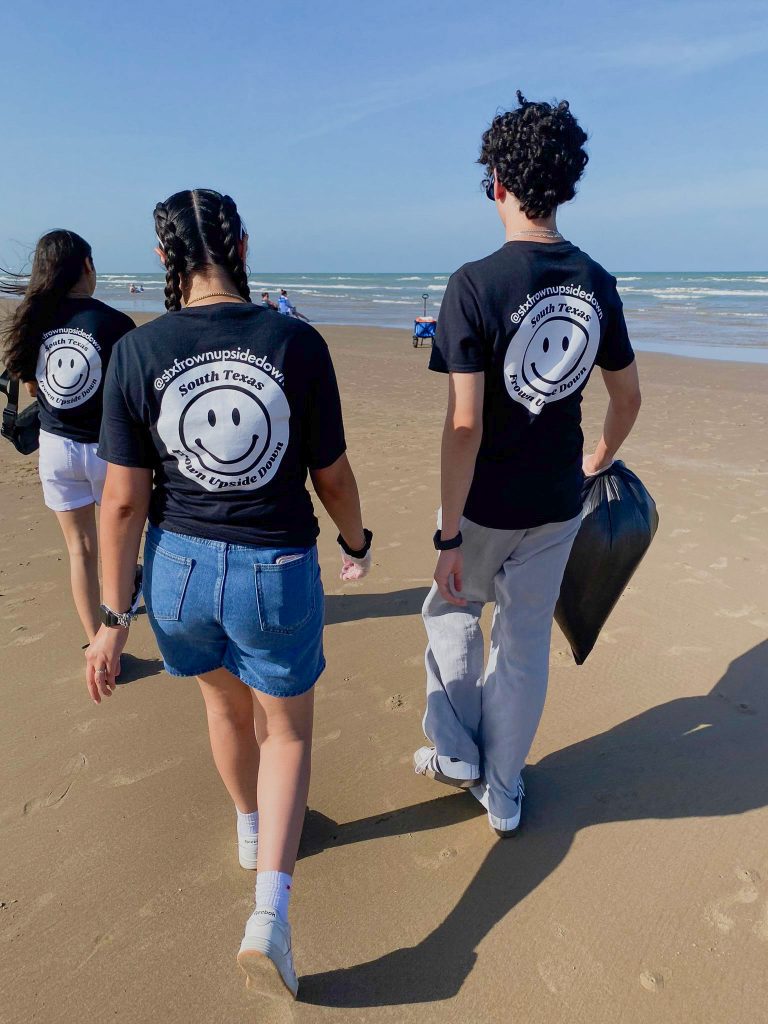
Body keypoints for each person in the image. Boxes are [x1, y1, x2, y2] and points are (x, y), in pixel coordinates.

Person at [85, 189, 373, 1000]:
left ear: (164, 258)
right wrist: (356, 542)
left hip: (174, 570)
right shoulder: (294, 342)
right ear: (242, 244)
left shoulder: (138, 353)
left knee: (222, 706)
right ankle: (270, 916)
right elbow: (333, 476)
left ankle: (251, 829)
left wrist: (113, 620)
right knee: (285, 733)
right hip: (272, 568)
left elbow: (121, 502)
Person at [414, 92, 642, 837]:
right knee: (523, 646)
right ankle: (504, 790)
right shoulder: (595, 280)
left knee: (450, 608)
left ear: (497, 184)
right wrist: (598, 457)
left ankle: (455, 749)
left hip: (485, 504)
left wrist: (449, 533)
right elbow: (627, 395)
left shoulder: (474, 284)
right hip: (556, 500)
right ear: (565, 186)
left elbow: (465, 424)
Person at [1, 230, 137, 645]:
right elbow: (129, 398)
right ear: (88, 267)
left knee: (81, 550)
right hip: (109, 452)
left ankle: (97, 641)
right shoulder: (115, 324)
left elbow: (31, 388)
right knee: (124, 546)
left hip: (56, 451)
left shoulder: (32, 321)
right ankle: (126, 603)